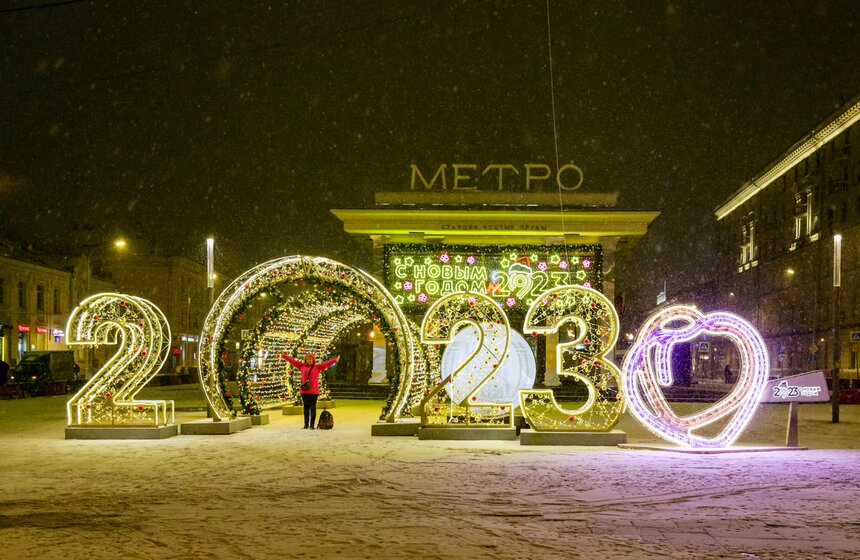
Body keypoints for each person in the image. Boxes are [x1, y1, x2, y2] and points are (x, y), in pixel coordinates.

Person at [284, 353, 339, 429]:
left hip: (314, 391)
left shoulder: (317, 367)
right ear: (305, 360)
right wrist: (285, 356)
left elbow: (326, 364)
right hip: (304, 391)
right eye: (308, 359)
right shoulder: (301, 366)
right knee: (306, 409)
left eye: (310, 359)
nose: (309, 360)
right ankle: (306, 425)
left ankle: (312, 425)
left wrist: (334, 360)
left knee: (313, 408)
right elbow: (293, 361)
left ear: (313, 360)